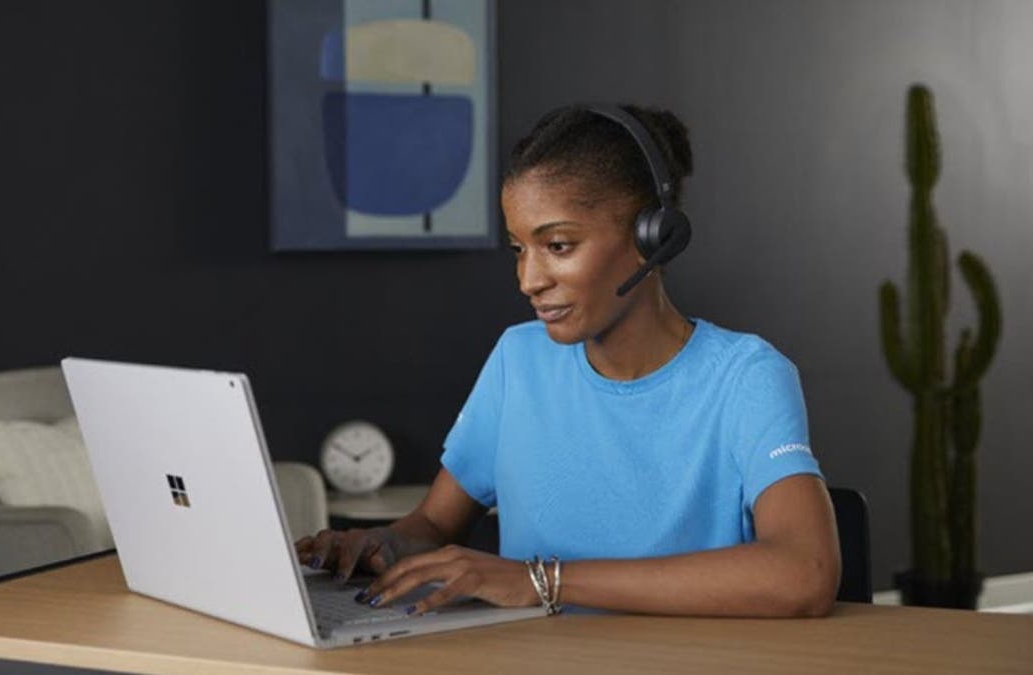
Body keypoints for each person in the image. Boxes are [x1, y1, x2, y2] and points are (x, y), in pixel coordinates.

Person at [295, 104, 841, 618]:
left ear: (655, 236)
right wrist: (381, 544)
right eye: (518, 249)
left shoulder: (745, 376)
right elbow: (436, 521)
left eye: (557, 245)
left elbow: (804, 573)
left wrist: (543, 581)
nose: (528, 280)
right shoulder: (518, 358)